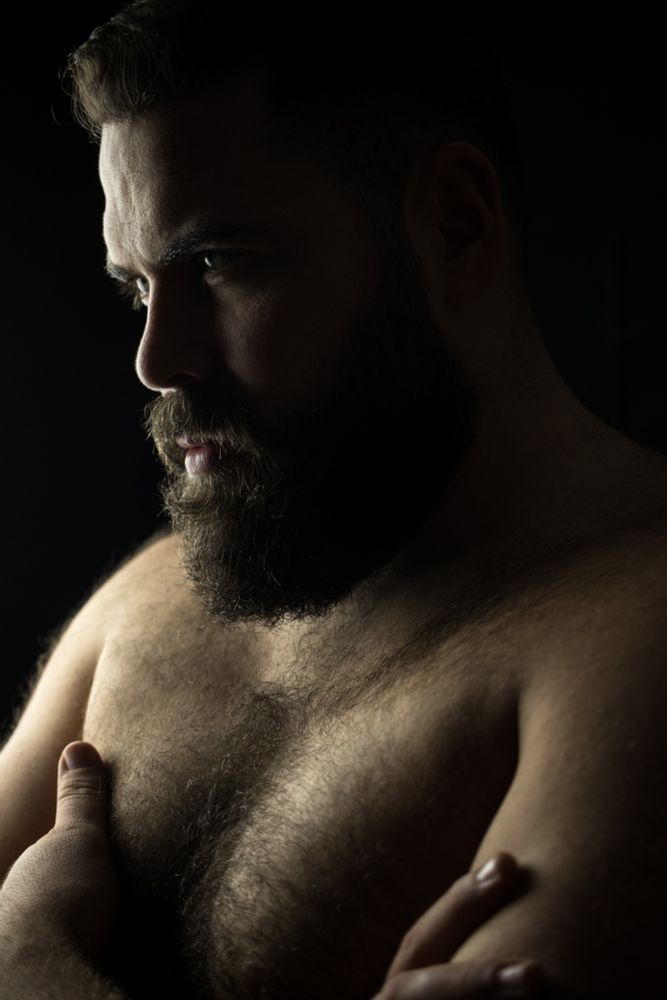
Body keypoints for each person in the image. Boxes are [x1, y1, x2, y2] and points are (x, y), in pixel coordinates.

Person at [1, 3, 666, 997]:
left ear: (452, 226)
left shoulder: (636, 641)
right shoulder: (148, 601)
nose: (156, 359)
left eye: (219, 264)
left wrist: (31, 963)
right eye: (137, 289)